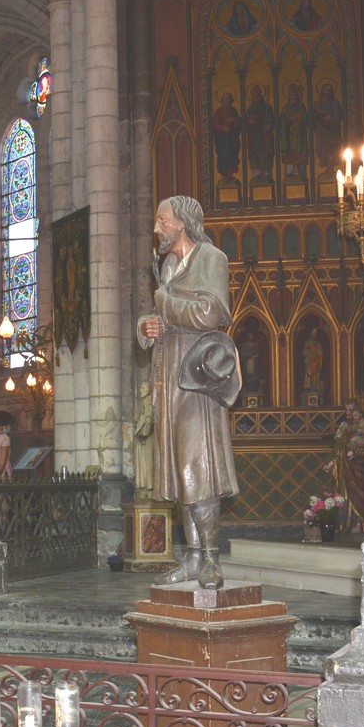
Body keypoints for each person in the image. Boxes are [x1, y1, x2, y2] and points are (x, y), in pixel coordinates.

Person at [135, 195, 239, 588]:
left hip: (197, 379)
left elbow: (211, 313)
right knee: (181, 469)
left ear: (182, 222)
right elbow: (160, 317)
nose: (157, 228)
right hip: (168, 379)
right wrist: (146, 326)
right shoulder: (168, 265)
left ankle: (211, 558)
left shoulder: (211, 258)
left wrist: (164, 303)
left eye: (163, 220)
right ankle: (192, 557)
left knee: (200, 465)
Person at [332, 398, 364, 533]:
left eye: (352, 410)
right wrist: (333, 461)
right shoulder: (345, 427)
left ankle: (361, 524)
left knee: (361, 495)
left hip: (360, 467)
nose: (349, 413)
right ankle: (347, 524)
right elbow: (338, 447)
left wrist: (357, 452)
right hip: (346, 468)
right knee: (345, 493)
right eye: (346, 410)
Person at [211, 92, 243, 178]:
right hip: (222, 140)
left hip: (232, 139)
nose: (227, 101)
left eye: (228, 99)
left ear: (231, 101)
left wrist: (233, 121)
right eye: (225, 99)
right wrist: (222, 127)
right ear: (221, 101)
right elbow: (214, 123)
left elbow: (239, 122)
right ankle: (225, 175)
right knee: (224, 156)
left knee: (232, 156)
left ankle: (230, 174)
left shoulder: (233, 110)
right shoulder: (219, 111)